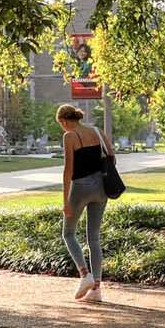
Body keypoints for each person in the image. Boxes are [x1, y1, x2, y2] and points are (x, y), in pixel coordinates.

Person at [58, 103, 115, 303]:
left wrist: (65, 201)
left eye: (61, 124)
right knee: (94, 238)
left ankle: (85, 275)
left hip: (80, 188)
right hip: (101, 188)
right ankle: (97, 289)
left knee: (68, 233)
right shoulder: (97, 131)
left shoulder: (70, 136)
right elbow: (112, 157)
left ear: (64, 121)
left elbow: (68, 170)